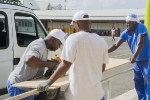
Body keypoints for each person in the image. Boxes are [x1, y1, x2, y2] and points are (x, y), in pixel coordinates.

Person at [37, 11, 109, 100]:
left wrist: (49, 82)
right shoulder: (102, 41)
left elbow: (65, 64)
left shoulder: (73, 38)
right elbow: (102, 68)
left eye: (74, 25)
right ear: (89, 23)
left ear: (77, 24)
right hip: (97, 95)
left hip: (78, 95)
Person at [7, 29, 66, 100]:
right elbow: (29, 60)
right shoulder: (39, 45)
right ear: (53, 40)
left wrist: (50, 62)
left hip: (26, 86)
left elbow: (36, 60)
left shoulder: (44, 47)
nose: (58, 47)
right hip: (18, 85)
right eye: (59, 44)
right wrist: (48, 64)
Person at [108, 13, 149, 100]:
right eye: (127, 22)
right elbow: (116, 45)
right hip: (137, 61)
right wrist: (104, 52)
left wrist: (134, 56)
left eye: (130, 22)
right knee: (138, 82)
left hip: (147, 59)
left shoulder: (140, 27)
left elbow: (140, 42)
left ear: (135, 22)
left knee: (147, 81)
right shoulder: (125, 33)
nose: (128, 24)